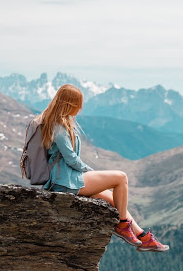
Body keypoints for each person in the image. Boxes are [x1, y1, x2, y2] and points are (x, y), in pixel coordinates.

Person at [39, 84, 169, 252]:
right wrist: (90, 171)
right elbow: (71, 158)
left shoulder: (55, 123)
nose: (80, 108)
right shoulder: (59, 127)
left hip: (65, 179)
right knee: (121, 178)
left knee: (113, 198)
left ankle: (143, 237)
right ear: (69, 104)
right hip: (66, 182)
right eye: (77, 104)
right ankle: (123, 225)